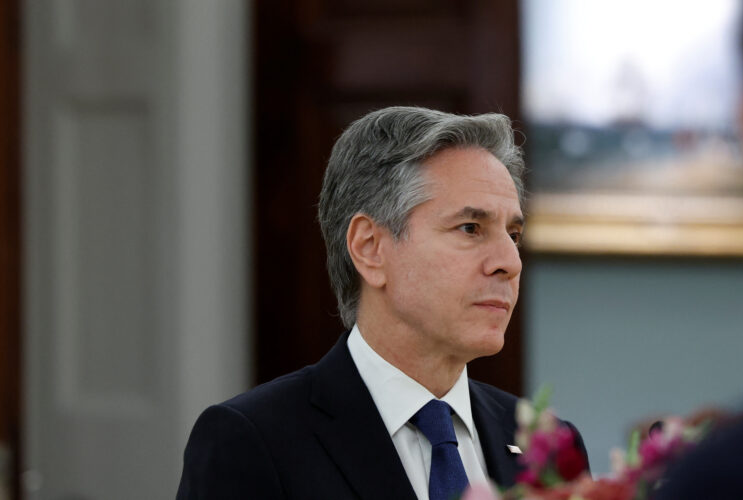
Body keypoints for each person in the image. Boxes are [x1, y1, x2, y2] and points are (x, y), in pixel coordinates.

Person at [176, 106, 587, 499]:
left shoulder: (546, 444)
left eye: (512, 235)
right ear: (370, 248)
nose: (509, 263)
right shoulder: (253, 441)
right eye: (470, 228)